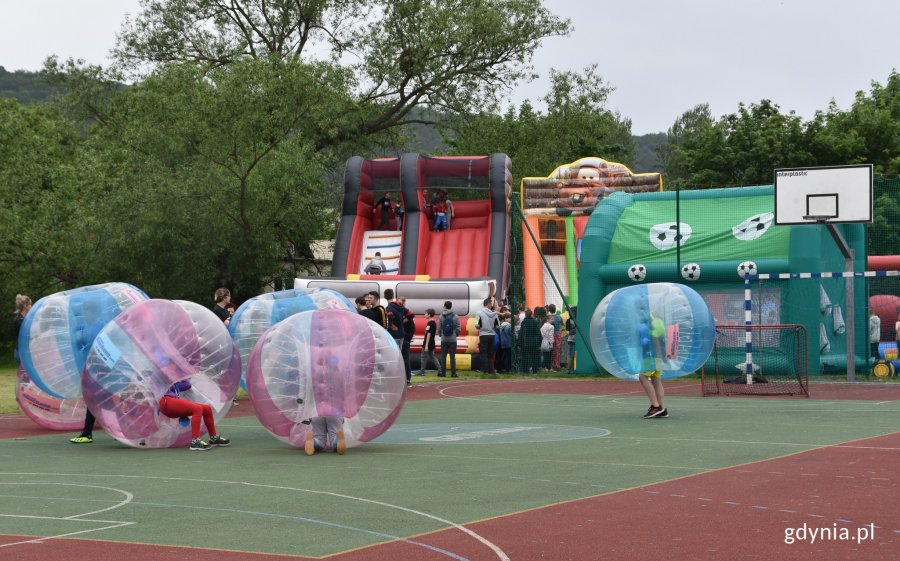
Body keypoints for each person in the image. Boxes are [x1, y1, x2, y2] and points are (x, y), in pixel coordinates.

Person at [158, 378, 231, 451]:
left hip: (172, 403)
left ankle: (213, 438)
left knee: (207, 409)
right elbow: (156, 384)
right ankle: (195, 441)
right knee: (197, 408)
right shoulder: (160, 377)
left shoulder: (175, 384)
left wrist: (182, 377)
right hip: (166, 402)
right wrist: (169, 376)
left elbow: (187, 385)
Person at [638, 311, 669, 419]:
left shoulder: (646, 323)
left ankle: (655, 407)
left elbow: (644, 340)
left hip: (650, 355)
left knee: (642, 377)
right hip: (658, 355)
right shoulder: (658, 321)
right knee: (656, 380)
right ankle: (662, 408)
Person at [385, 289, 413, 385]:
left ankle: (395, 378)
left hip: (395, 335)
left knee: (394, 356)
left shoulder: (389, 307)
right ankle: (404, 377)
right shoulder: (400, 306)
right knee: (400, 356)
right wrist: (402, 321)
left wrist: (391, 325)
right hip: (402, 334)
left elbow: (390, 316)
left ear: (385, 297)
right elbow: (411, 314)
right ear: (393, 296)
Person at [476, 298, 499, 374]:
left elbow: (477, 325)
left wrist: (480, 327)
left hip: (483, 335)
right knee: (490, 353)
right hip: (492, 335)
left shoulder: (479, 313)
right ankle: (491, 370)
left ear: (484, 304)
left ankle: (484, 370)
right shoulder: (494, 314)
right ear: (488, 304)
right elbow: (498, 326)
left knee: (483, 353)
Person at [438, 300, 460, 377]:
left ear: (444, 306)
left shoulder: (441, 316)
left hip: (444, 339)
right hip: (453, 339)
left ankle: (443, 373)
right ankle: (453, 373)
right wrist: (455, 335)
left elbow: (439, 328)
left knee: (443, 357)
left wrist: (441, 335)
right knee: (452, 357)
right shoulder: (455, 316)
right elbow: (458, 328)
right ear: (451, 306)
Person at [416, 308, 441, 375]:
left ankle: (422, 372)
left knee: (423, 357)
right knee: (433, 357)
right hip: (432, 342)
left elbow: (428, 334)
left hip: (428, 343)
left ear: (429, 315)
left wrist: (426, 345)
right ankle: (440, 370)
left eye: (426, 313)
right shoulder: (434, 322)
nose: (425, 315)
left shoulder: (430, 323)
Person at [518, 308, 542, 374]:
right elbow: (539, 333)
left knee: (525, 358)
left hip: (525, 343)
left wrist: (519, 344)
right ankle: (535, 371)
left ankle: (526, 371)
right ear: (531, 314)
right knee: (534, 358)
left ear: (525, 315)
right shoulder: (535, 322)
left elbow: (521, 334)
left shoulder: (524, 322)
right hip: (534, 343)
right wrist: (539, 343)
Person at [399, 296, 416, 380]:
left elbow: (411, 316)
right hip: (404, 338)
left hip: (405, 338)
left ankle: (407, 377)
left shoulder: (406, 313)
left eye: (402, 301)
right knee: (403, 358)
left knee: (405, 358)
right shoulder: (401, 311)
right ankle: (405, 377)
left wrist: (407, 338)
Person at [13, 294, 32, 366]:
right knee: (24, 377)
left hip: (25, 351)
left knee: (28, 377)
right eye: (30, 304)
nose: (31, 306)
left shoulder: (25, 318)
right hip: (22, 353)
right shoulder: (19, 320)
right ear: (25, 306)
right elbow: (27, 335)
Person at [548, 303, 563, 371]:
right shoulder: (559, 317)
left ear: (549, 310)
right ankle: (557, 365)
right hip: (558, 335)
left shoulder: (549, 317)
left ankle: (552, 366)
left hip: (551, 335)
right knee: (557, 351)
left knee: (551, 351)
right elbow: (562, 323)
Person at [565, 306, 578, 371]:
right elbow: (567, 332)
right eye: (573, 312)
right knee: (571, 354)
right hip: (571, 340)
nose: (574, 313)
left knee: (573, 354)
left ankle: (573, 368)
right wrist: (571, 331)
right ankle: (569, 368)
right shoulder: (568, 321)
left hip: (577, 340)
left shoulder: (578, 320)